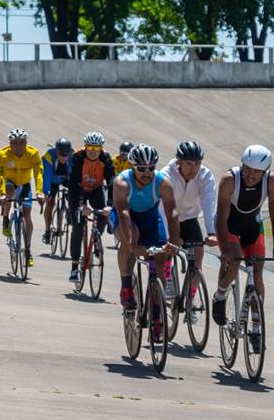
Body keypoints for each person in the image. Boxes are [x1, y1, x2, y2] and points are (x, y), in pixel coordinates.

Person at [211, 145, 274, 353]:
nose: (250, 174)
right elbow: (221, 217)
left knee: (257, 271)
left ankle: (256, 327)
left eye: (256, 171)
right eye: (246, 168)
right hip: (228, 224)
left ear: (265, 172)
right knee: (235, 259)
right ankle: (220, 295)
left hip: (252, 225)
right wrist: (225, 249)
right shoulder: (230, 179)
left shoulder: (272, 182)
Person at [112, 144, 180, 340]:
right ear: (133, 167)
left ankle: (157, 316)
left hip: (150, 219)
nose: (147, 173)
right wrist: (132, 243)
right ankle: (126, 285)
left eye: (151, 168)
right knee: (129, 238)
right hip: (126, 218)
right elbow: (123, 212)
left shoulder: (162, 182)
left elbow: (172, 212)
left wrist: (173, 243)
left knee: (160, 259)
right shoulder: (121, 182)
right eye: (141, 169)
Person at [161, 141, 218, 309]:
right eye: (188, 164)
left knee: (198, 258)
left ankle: (191, 301)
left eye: (197, 164)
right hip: (169, 217)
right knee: (169, 249)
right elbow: (162, 209)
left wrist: (211, 232)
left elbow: (209, 204)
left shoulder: (205, 176)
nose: (194, 169)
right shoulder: (166, 175)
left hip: (189, 218)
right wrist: (169, 238)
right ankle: (168, 279)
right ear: (179, 162)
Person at [66, 132, 115, 283]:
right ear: (85, 146)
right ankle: (75, 267)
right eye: (90, 147)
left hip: (96, 190)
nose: (93, 151)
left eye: (96, 148)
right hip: (78, 191)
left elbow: (112, 182)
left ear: (101, 148)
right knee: (78, 228)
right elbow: (74, 182)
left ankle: (96, 238)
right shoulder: (78, 157)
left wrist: (110, 205)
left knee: (103, 215)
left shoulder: (105, 158)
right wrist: (81, 204)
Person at [0, 128, 44, 269]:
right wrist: (2, 193)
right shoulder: (3, 155)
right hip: (10, 183)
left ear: (25, 142)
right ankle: (5, 219)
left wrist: (40, 192)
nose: (18, 146)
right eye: (15, 143)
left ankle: (28, 251)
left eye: (21, 142)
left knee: (27, 215)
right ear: (10, 143)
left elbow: (38, 174)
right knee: (9, 191)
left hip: (24, 185)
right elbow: (0, 176)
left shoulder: (33, 154)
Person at [41, 137, 73, 244]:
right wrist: (47, 192)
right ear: (57, 151)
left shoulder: (73, 156)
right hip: (52, 180)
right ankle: (47, 230)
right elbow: (47, 176)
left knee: (73, 196)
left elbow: (75, 176)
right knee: (50, 204)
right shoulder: (49, 156)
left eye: (66, 155)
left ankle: (70, 212)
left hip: (66, 179)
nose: (64, 157)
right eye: (62, 155)